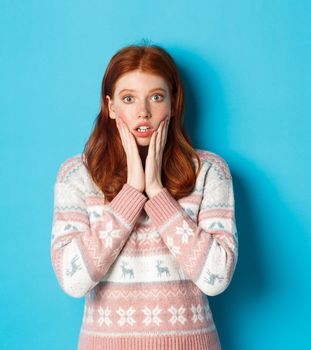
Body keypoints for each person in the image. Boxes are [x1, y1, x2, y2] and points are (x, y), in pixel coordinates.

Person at [50, 43, 237, 350]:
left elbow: (215, 279)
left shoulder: (209, 172)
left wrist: (157, 193)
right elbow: (74, 281)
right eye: (129, 98)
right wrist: (132, 193)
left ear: (173, 103)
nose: (143, 112)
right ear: (110, 106)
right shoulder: (76, 176)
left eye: (156, 96)